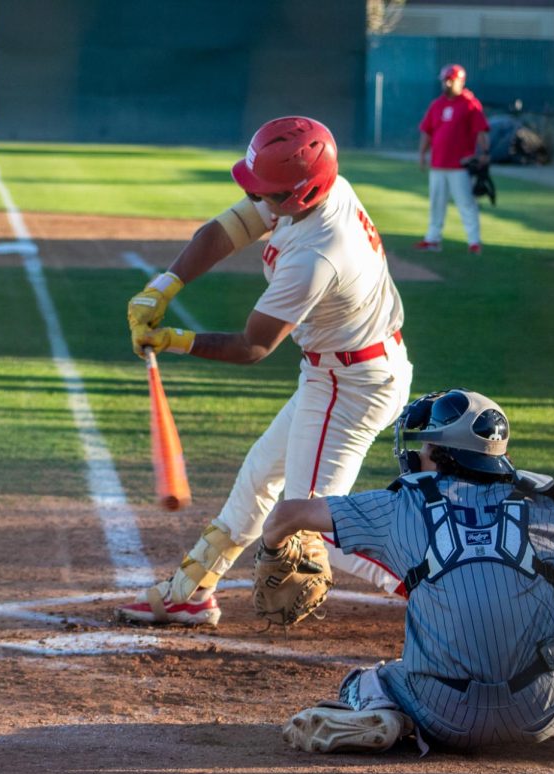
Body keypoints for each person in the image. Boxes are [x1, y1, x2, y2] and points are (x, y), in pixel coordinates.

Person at [115, 116, 413, 628]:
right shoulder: (315, 187)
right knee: (258, 477)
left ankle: (451, 590)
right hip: (335, 371)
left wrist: (174, 340)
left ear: (300, 193)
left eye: (269, 193)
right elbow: (225, 231)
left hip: (353, 386)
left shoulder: (318, 255)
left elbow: (253, 346)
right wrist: (163, 286)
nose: (260, 200)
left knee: (314, 529)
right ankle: (192, 591)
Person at [263, 389, 554, 755]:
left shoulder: (399, 506)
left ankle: (382, 710)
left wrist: (272, 548)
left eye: (425, 443)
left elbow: (288, 513)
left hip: (443, 714)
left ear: (441, 453)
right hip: (542, 709)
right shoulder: (545, 509)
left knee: (372, 678)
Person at [415, 64, 489, 255]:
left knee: (466, 203)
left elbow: (480, 131)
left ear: (460, 81)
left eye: (450, 79)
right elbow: (427, 131)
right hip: (438, 163)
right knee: (436, 203)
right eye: (444, 80)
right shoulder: (437, 104)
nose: (446, 83)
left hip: (460, 165)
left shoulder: (469, 104)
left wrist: (484, 153)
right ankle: (433, 239)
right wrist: (422, 154)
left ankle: (474, 242)